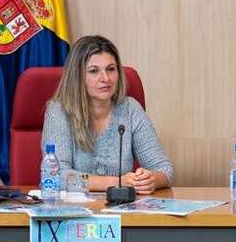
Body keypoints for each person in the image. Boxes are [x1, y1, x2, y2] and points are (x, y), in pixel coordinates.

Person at [41, 35, 173, 194]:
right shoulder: (59, 111)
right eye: (93, 71)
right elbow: (56, 176)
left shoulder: (130, 109)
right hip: (74, 208)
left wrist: (150, 180)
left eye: (111, 69)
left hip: (121, 206)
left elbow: (163, 168)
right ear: (77, 76)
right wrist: (116, 182)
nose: (105, 78)